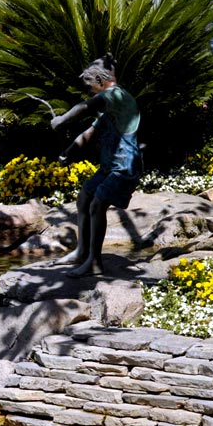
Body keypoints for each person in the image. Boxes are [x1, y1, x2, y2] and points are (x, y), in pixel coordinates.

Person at [49, 53, 142, 277]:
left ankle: (94, 262)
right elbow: (89, 132)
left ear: (101, 81)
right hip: (109, 167)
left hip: (124, 167)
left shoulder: (117, 95)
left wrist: (61, 120)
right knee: (84, 198)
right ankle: (82, 252)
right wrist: (68, 152)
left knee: (96, 205)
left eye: (90, 84)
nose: (89, 89)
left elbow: (85, 106)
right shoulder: (110, 107)